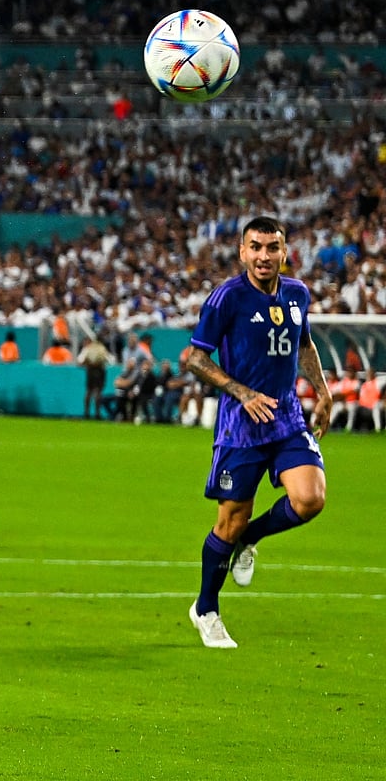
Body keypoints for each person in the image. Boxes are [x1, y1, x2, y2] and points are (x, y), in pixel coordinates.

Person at [183, 216, 331, 649]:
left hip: (285, 414)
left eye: (272, 247)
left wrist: (321, 390)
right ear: (242, 251)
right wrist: (241, 392)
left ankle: (251, 539)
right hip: (241, 422)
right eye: (256, 247)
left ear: (284, 251)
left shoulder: (298, 294)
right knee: (229, 522)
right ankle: (206, 609)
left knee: (310, 498)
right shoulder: (227, 298)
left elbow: (303, 343)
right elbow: (192, 359)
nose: (263, 256)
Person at [76, 335, 113, 419]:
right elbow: (110, 361)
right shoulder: (102, 348)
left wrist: (88, 363)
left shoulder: (88, 348)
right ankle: (97, 413)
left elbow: (80, 361)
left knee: (89, 391)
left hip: (90, 370)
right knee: (98, 392)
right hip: (100, 370)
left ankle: (86, 413)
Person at [351, 367, 382, 433]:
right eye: (368, 373)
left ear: (374, 374)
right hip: (363, 406)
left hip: (373, 406)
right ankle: (352, 428)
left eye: (370, 373)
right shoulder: (363, 385)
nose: (369, 374)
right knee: (352, 405)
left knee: (376, 405)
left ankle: (378, 428)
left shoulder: (377, 382)